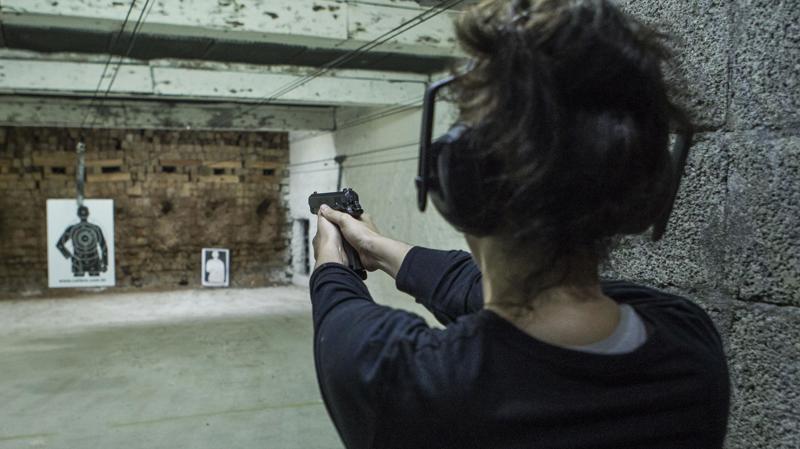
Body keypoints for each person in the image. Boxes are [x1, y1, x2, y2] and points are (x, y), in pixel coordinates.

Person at [310, 0, 730, 448]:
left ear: (461, 183)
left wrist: (330, 259)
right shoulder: (688, 344)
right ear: (641, 192)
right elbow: (487, 290)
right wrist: (375, 245)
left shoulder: (406, 384)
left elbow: (341, 314)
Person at [56, 205, 108, 277]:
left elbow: (59, 245)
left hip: (78, 261)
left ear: (78, 214)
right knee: (95, 283)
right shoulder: (96, 228)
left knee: (78, 284)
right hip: (94, 261)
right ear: (88, 214)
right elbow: (104, 247)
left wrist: (70, 256)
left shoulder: (72, 229)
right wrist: (105, 263)